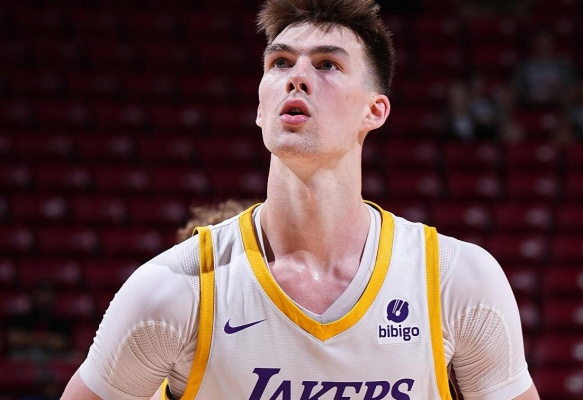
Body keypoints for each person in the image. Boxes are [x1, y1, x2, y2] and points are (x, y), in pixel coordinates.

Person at [62, 0, 539, 398]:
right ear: (260, 106)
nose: (297, 77)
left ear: (374, 111)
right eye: (280, 63)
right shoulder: (176, 288)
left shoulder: (454, 279)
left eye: (327, 64)